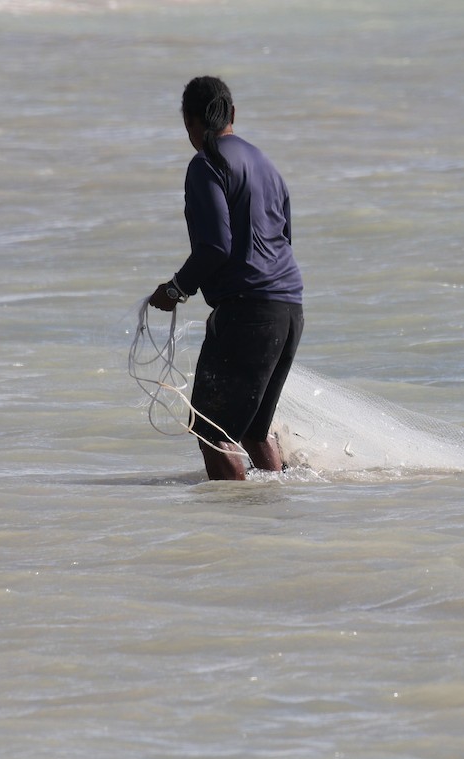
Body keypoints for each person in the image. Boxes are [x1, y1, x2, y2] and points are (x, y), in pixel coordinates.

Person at [149, 76, 305, 481]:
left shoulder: (207, 164)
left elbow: (216, 246)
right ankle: (274, 505)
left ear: (189, 122)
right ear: (233, 113)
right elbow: (285, 237)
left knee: (212, 432)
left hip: (248, 314)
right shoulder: (265, 163)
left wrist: (176, 289)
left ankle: (232, 518)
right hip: (289, 310)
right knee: (253, 431)